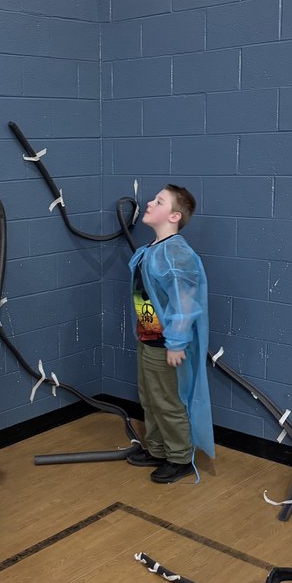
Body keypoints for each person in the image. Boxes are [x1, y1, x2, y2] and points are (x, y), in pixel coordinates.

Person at [126, 185, 214, 483]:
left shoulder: (176, 253)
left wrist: (176, 342)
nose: (149, 202)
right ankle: (157, 448)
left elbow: (185, 301)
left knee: (167, 401)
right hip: (148, 338)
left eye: (159, 201)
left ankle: (179, 458)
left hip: (165, 344)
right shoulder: (153, 250)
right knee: (149, 398)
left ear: (174, 215)